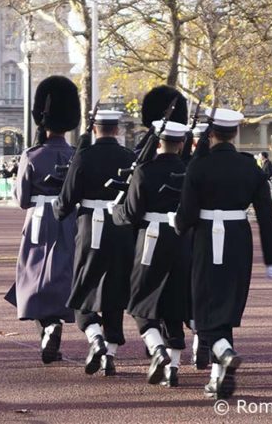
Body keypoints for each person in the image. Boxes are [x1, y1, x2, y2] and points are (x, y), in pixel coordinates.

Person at [176, 108, 272, 399]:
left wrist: (178, 226)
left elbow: (186, 212)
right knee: (226, 303)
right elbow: (266, 216)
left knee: (203, 305)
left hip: (206, 236)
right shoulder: (250, 168)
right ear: (234, 133)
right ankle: (218, 376)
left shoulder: (199, 167)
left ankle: (222, 350)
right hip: (238, 238)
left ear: (211, 134)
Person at [4, 76, 81, 364]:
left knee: (33, 275)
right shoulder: (76, 155)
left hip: (38, 219)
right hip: (69, 218)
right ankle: (56, 323)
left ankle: (47, 327)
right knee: (64, 272)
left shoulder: (32, 155)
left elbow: (22, 199)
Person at [54, 109, 135, 377]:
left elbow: (67, 198)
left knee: (82, 287)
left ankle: (94, 335)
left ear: (95, 129)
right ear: (117, 130)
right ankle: (109, 354)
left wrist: (58, 210)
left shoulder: (84, 156)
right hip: (121, 227)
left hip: (90, 226)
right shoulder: (129, 157)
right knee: (115, 289)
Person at [112, 120, 191, 388]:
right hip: (181, 241)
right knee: (175, 301)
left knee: (140, 300)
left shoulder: (145, 170)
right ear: (181, 144)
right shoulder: (189, 171)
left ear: (159, 143)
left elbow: (132, 213)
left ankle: (157, 348)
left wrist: (117, 212)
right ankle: (175, 367)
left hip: (152, 239)